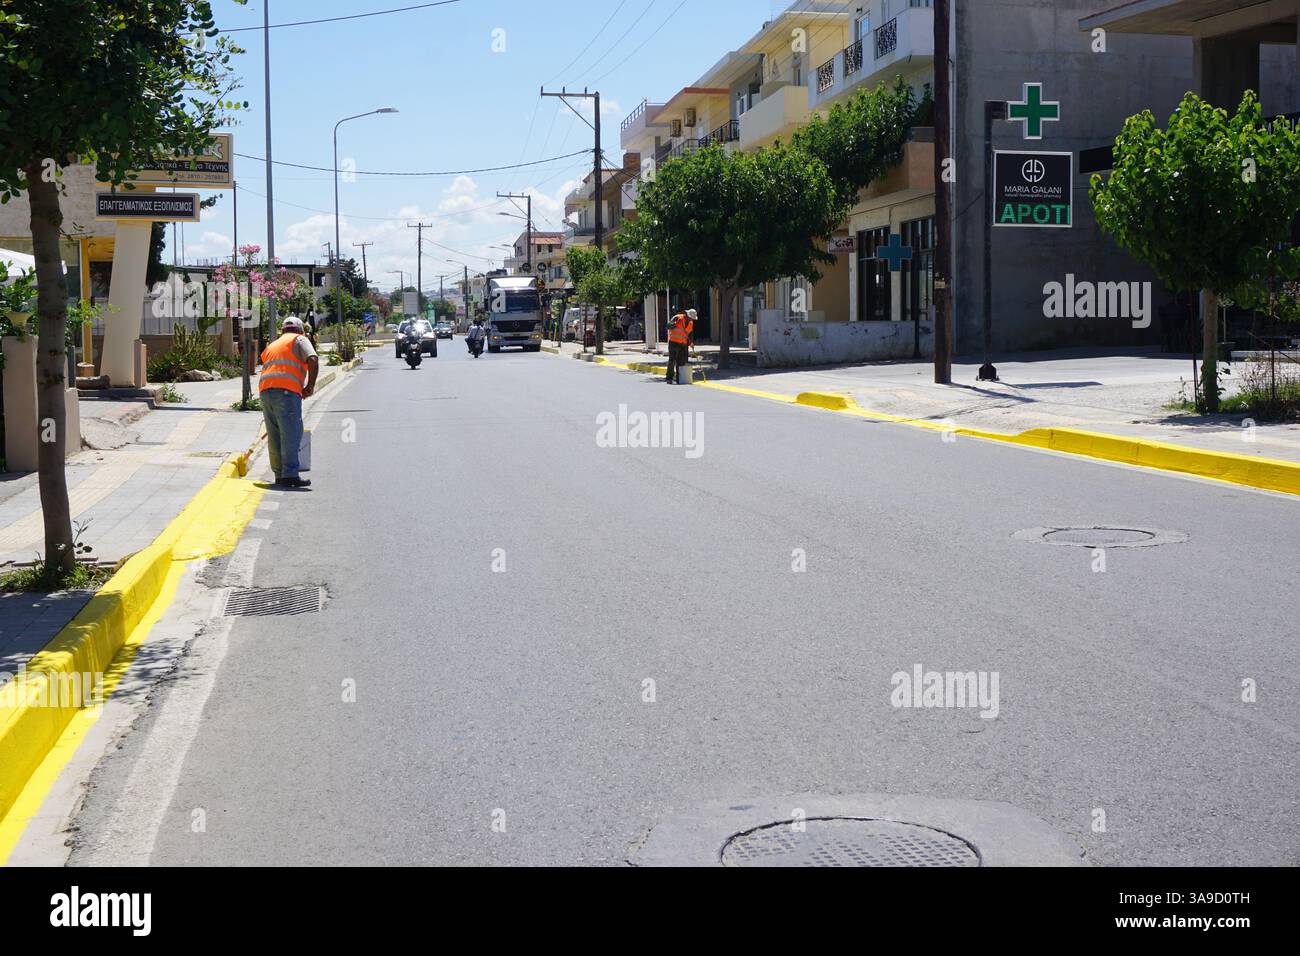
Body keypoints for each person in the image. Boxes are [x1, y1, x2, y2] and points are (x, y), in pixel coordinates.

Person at [260, 316, 319, 488]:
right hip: (286, 392)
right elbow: (313, 359)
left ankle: (280, 475)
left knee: (275, 435)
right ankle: (291, 475)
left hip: (265, 391)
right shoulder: (300, 339)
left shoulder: (273, 344)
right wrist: (310, 386)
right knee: (291, 433)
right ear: (300, 330)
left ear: (283, 330)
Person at [666, 308, 695, 384]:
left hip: (683, 344)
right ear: (687, 315)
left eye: (692, 318)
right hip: (673, 342)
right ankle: (669, 378)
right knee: (672, 361)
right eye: (690, 318)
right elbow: (668, 326)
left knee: (681, 362)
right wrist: (674, 324)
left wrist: (691, 342)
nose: (691, 319)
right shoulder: (677, 317)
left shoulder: (691, 323)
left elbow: (690, 334)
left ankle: (679, 378)